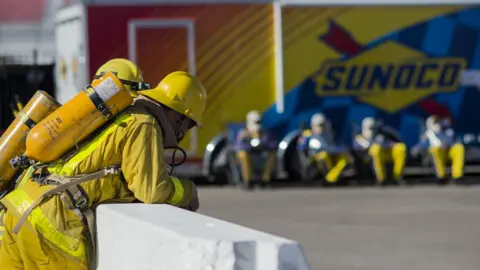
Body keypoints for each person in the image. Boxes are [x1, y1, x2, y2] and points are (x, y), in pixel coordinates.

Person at [0, 59, 207, 270]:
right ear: (180, 116)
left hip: (21, 207)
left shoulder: (115, 116)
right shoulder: (143, 123)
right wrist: (187, 191)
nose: (183, 134)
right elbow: (151, 191)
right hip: (51, 222)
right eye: (189, 125)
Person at [297, 113, 350, 184]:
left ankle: (332, 177)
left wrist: (341, 150)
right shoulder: (308, 135)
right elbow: (302, 149)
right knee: (323, 156)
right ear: (313, 125)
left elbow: (334, 146)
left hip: (331, 155)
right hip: (316, 159)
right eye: (319, 125)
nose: (321, 128)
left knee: (344, 158)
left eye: (323, 125)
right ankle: (331, 178)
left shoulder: (328, 134)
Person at [353, 117, 406, 185]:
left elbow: (398, 139)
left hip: (386, 153)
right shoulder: (359, 137)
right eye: (370, 128)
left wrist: (385, 132)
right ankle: (381, 178)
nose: (372, 130)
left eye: (373, 127)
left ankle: (397, 176)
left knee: (400, 147)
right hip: (369, 156)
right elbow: (361, 148)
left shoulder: (383, 132)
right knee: (376, 149)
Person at [413, 115, 464, 184]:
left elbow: (454, 139)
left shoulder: (448, 129)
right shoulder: (428, 133)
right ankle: (441, 176)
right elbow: (421, 144)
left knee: (459, 148)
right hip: (438, 152)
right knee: (435, 149)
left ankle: (457, 176)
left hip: (449, 150)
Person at [234, 110, 277, 190]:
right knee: (243, 155)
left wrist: (264, 144)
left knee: (272, 154)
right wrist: (248, 143)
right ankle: (248, 180)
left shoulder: (264, 132)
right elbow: (239, 146)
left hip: (262, 153)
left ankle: (266, 179)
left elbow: (272, 144)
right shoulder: (243, 133)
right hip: (249, 153)